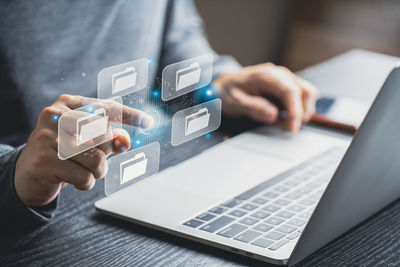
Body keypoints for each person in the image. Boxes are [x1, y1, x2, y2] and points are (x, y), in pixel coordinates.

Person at [0, 0, 317, 226]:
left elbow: (177, 41)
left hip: (137, 182)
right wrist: (18, 171)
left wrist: (218, 82)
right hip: (34, 218)